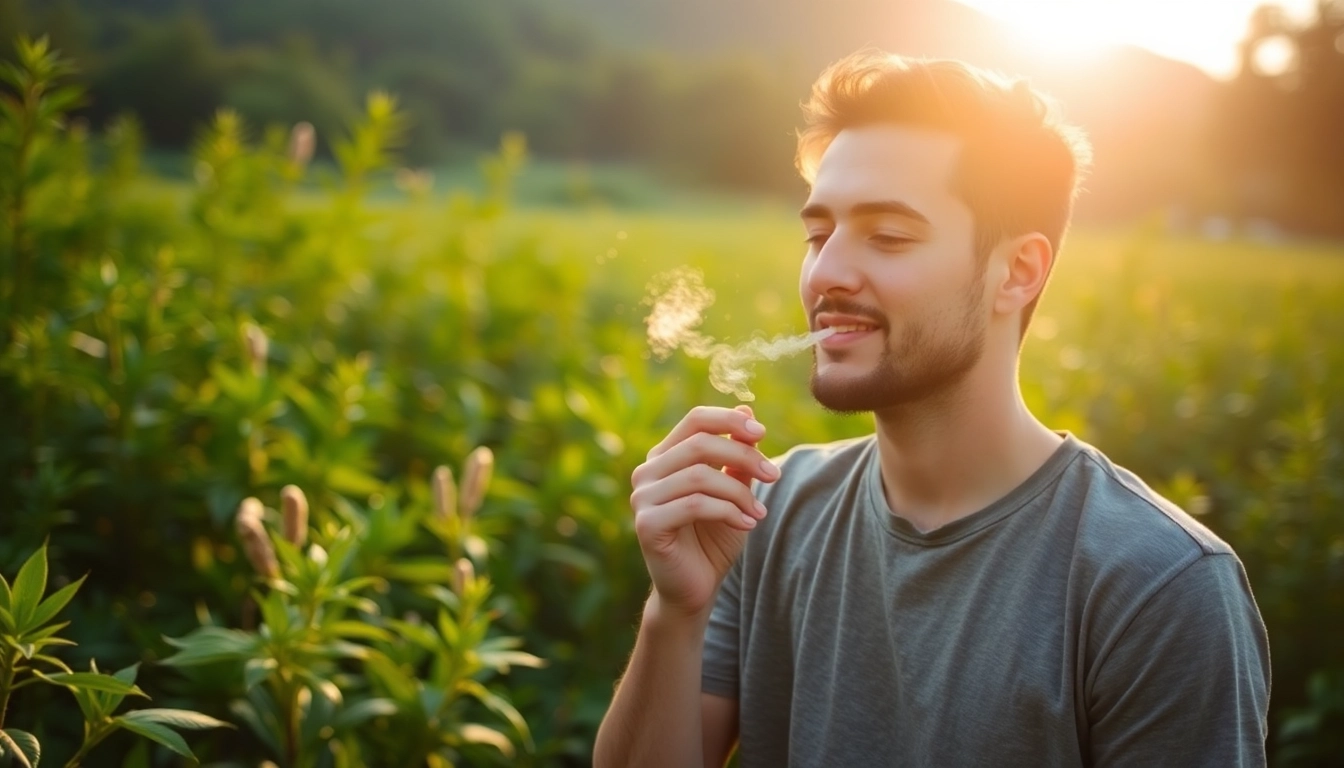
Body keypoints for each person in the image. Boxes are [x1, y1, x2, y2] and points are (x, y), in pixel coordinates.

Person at [593, 50, 1271, 768]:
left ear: (1018, 271)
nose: (825, 273)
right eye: (817, 236)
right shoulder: (767, 513)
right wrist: (676, 613)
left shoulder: (1157, 586)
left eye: (887, 236)